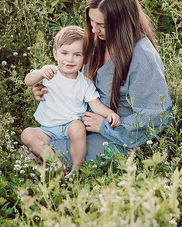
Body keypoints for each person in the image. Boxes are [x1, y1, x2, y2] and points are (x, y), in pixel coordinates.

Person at [32, 0, 173, 165]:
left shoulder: (143, 57)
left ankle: (52, 158)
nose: (93, 30)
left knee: (54, 153)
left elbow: (155, 115)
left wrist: (105, 127)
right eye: (91, 21)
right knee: (33, 138)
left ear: (121, 23)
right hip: (79, 123)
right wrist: (53, 89)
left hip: (118, 136)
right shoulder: (98, 39)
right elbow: (82, 85)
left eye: (102, 25)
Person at [21, 26, 120, 174]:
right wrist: (40, 73)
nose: (70, 59)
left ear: (85, 58)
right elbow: (28, 81)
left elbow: (96, 105)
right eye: (64, 53)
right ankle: (57, 163)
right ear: (55, 54)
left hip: (70, 125)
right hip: (48, 129)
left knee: (78, 127)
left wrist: (110, 113)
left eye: (77, 55)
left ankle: (76, 168)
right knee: (27, 134)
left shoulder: (84, 82)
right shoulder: (50, 73)